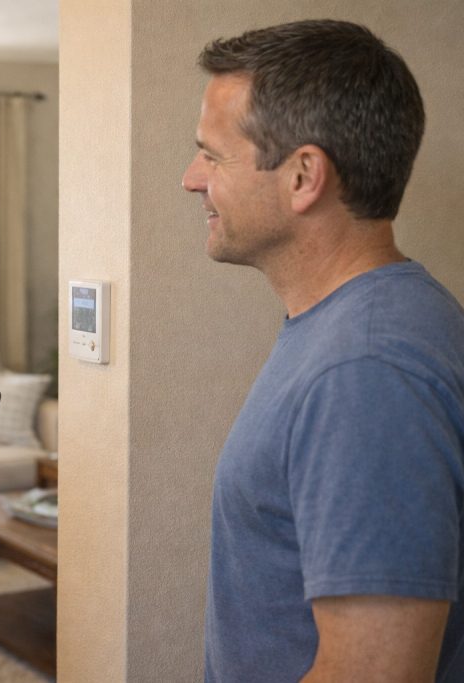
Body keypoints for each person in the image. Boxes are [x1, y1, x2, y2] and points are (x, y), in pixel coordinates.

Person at [181, 19, 464, 682]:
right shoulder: (356, 328)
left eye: (213, 155)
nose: (192, 179)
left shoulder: (366, 372)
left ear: (304, 175)